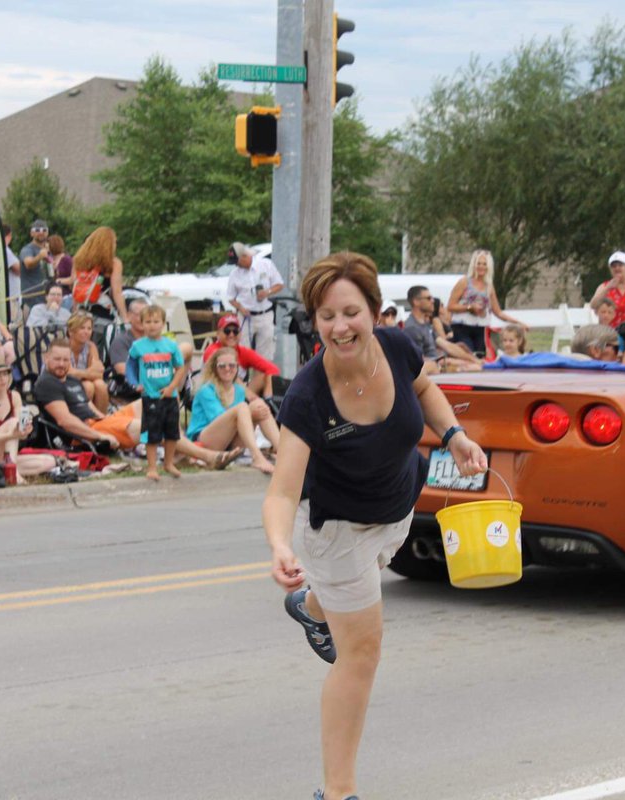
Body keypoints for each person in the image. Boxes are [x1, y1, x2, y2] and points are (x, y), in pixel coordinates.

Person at [262, 251, 486, 800]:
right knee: (361, 654)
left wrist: (455, 436)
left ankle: (313, 607)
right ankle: (338, 792)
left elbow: (424, 389)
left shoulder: (397, 346)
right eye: (326, 317)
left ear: (374, 311)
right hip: (338, 532)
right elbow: (283, 490)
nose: (340, 327)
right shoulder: (308, 396)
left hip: (396, 510)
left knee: (351, 599)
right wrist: (279, 545)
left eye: (350, 313)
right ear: (315, 322)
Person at [34, 338, 140, 451]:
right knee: (142, 426)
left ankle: (144, 441)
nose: (61, 364)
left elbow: (90, 408)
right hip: (85, 433)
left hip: (99, 423)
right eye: (57, 359)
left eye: (65, 360)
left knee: (146, 403)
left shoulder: (72, 380)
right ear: (46, 358)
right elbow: (64, 421)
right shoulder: (47, 382)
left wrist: (108, 419)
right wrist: (99, 436)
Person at [188, 347, 278, 475]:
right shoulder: (206, 390)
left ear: (237, 368)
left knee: (259, 405)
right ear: (215, 368)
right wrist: (249, 412)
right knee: (243, 407)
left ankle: (283, 451)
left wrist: (252, 412)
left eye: (232, 365)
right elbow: (218, 418)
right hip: (205, 440)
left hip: (230, 442)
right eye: (222, 366)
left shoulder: (239, 390)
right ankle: (257, 457)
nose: (227, 369)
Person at [0, 355, 54, 482]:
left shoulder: (14, 396)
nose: (3, 379)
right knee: (13, 423)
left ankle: (4, 470)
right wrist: (10, 435)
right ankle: (14, 475)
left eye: (5, 374)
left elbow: (20, 433)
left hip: (5, 455)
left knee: (49, 462)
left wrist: (25, 431)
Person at [125, 304, 186, 481]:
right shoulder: (138, 346)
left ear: (163, 323)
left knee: (172, 432)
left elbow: (180, 368)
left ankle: (168, 463)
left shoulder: (171, 345)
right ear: (142, 324)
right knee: (152, 433)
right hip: (150, 396)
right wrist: (135, 383)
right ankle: (152, 467)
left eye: (156, 321)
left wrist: (172, 387)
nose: (152, 325)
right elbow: (130, 367)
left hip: (169, 395)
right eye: (148, 322)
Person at [448, 249, 526, 356]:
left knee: (480, 355)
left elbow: (498, 312)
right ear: (474, 265)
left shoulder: (489, 286)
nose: (481, 267)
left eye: (484, 264)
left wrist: (518, 323)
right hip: (462, 326)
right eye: (478, 263)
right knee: (467, 353)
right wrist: (469, 307)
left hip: (481, 327)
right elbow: (450, 306)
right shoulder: (464, 282)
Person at [225, 241, 284, 361]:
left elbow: (279, 284)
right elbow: (230, 297)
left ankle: (262, 372)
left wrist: (267, 292)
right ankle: (243, 371)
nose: (236, 265)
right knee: (242, 350)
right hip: (246, 316)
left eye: (237, 261)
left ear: (244, 256)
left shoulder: (265, 264)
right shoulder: (234, 274)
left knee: (265, 352)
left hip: (265, 314)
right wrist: (240, 308)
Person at [402, 286, 481, 373]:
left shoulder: (425, 324)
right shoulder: (412, 328)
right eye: (428, 298)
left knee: (474, 363)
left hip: (439, 363)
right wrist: (448, 364)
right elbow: (417, 360)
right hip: (433, 369)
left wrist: (474, 359)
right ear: (416, 302)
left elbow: (447, 346)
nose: (432, 301)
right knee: (474, 367)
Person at [203, 313, 280, 399]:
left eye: (235, 331)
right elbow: (228, 376)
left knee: (265, 375)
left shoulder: (243, 351)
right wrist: (252, 397)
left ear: (240, 334)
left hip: (237, 394)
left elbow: (273, 369)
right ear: (218, 334)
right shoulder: (212, 350)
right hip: (214, 394)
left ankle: (269, 401)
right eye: (227, 331)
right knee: (230, 373)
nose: (231, 335)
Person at [72, 225, 128, 324]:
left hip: (82, 308)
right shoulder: (113, 263)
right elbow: (117, 292)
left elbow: (75, 286)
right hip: (103, 309)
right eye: (114, 242)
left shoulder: (78, 260)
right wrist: (125, 317)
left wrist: (74, 312)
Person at [65, 311, 109, 414]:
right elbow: (68, 374)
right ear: (71, 331)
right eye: (82, 328)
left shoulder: (90, 346)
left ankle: (102, 419)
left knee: (100, 384)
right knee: (88, 386)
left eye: (89, 328)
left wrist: (78, 373)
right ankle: (83, 419)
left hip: (81, 381)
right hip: (61, 383)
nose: (86, 332)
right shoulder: (63, 346)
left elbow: (99, 375)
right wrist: (89, 372)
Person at [48, 234, 74, 303]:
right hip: (54, 296)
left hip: (66, 295)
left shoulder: (66, 259)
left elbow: (73, 278)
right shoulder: (51, 260)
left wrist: (59, 281)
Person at [3, 223, 21, 320]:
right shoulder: (5, 250)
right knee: (14, 323)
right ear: (9, 236)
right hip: (12, 297)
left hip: (10, 296)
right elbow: (18, 269)